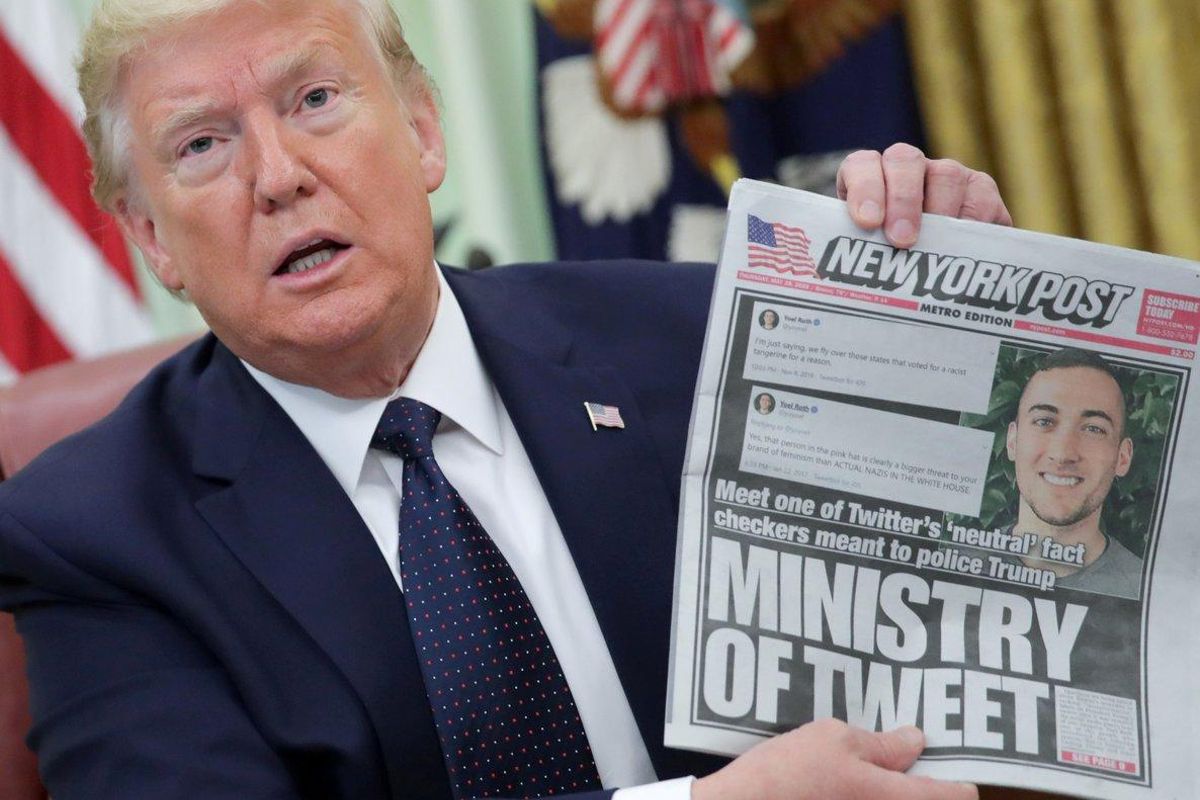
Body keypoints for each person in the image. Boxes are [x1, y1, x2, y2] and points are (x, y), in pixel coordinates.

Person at [0, 1, 1011, 798]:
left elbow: (987, 614)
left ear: (424, 130)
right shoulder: (95, 532)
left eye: (313, 99)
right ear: (150, 239)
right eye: (201, 146)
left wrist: (962, 324)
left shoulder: (711, 338)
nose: (278, 176)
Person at [1004, 348, 1142, 599]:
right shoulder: (955, 561)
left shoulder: (1147, 593)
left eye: (1093, 429)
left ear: (1123, 458)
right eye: (1044, 421)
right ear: (1012, 441)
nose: (1063, 453)